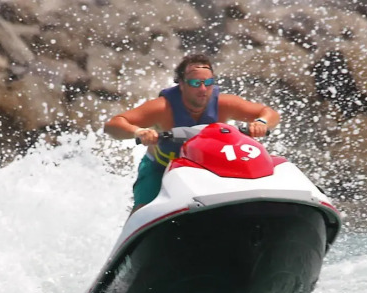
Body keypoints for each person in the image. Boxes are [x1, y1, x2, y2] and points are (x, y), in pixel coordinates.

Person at [104, 54, 280, 211]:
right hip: (161, 169)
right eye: (195, 83)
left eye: (208, 83)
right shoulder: (162, 108)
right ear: (181, 84)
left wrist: (261, 122)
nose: (203, 89)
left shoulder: (225, 104)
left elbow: (268, 113)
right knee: (143, 209)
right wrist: (139, 131)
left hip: (210, 170)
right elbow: (113, 125)